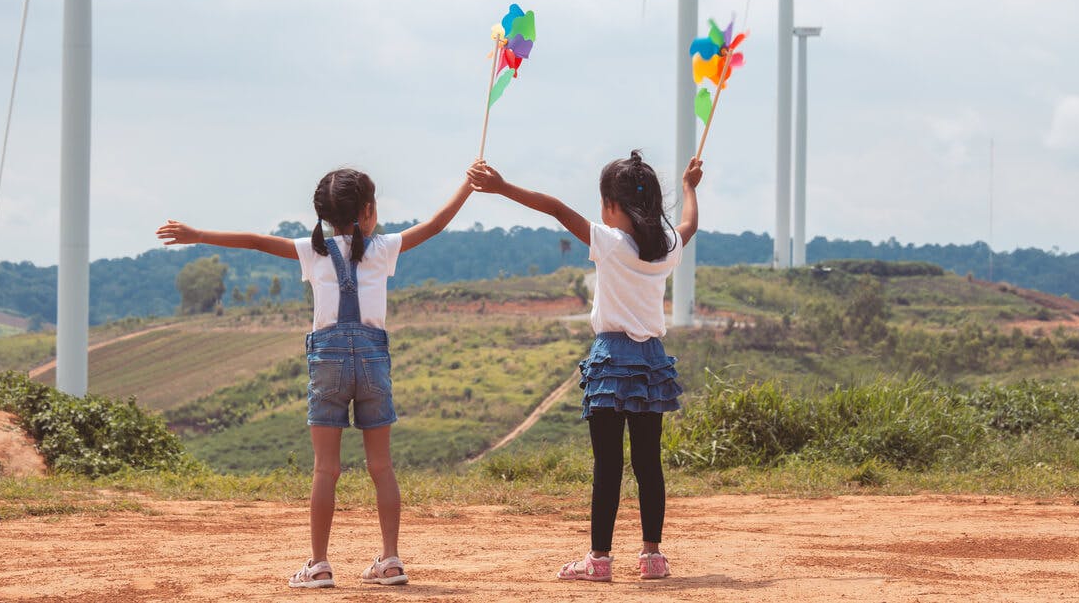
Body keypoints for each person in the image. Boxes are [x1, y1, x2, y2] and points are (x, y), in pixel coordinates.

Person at [156, 167, 473, 589]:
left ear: (324, 215)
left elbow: (253, 241)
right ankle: (391, 561)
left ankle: (319, 565)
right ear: (367, 211)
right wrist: (469, 185)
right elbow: (435, 225)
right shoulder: (383, 248)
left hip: (327, 360)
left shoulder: (312, 250)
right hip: (374, 361)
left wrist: (197, 234)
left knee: (326, 468)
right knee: (382, 465)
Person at [468, 150, 701, 582]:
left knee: (607, 465)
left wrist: (502, 188)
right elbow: (689, 226)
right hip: (651, 361)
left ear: (613, 205)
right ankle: (652, 557)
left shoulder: (610, 243)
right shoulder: (666, 248)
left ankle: (599, 560)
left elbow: (556, 208)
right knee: (649, 464)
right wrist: (689, 187)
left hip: (612, 362)